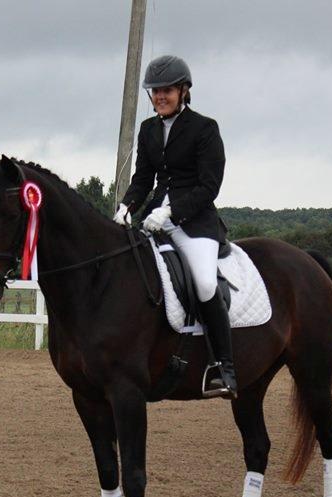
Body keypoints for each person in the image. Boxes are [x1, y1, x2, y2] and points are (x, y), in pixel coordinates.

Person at [114, 55, 236, 399]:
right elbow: (142, 179)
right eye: (154, 91)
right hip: (154, 221)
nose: (159, 97)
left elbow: (209, 186)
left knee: (204, 281)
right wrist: (126, 207)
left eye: (166, 90)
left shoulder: (205, 128)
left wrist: (171, 211)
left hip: (195, 223)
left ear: (183, 91)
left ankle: (224, 368)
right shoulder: (148, 130)